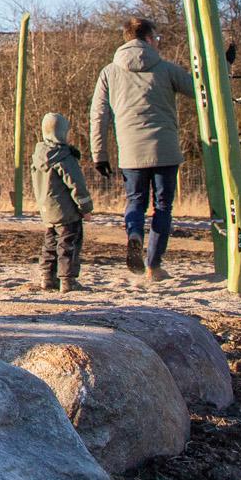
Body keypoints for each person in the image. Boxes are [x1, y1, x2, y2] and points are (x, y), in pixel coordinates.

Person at [88, 16, 194, 282]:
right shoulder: (166, 69)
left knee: (135, 201)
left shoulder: (109, 72)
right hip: (165, 149)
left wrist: (99, 154)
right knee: (163, 207)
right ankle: (153, 265)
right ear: (148, 38)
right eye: (156, 38)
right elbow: (200, 89)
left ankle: (134, 233)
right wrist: (223, 67)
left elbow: (98, 115)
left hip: (131, 151)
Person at [29, 111, 96, 292]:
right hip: (67, 211)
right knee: (69, 244)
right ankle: (68, 280)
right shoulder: (63, 157)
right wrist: (85, 207)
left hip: (48, 210)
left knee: (50, 244)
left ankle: (47, 278)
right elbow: (76, 184)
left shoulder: (38, 156)